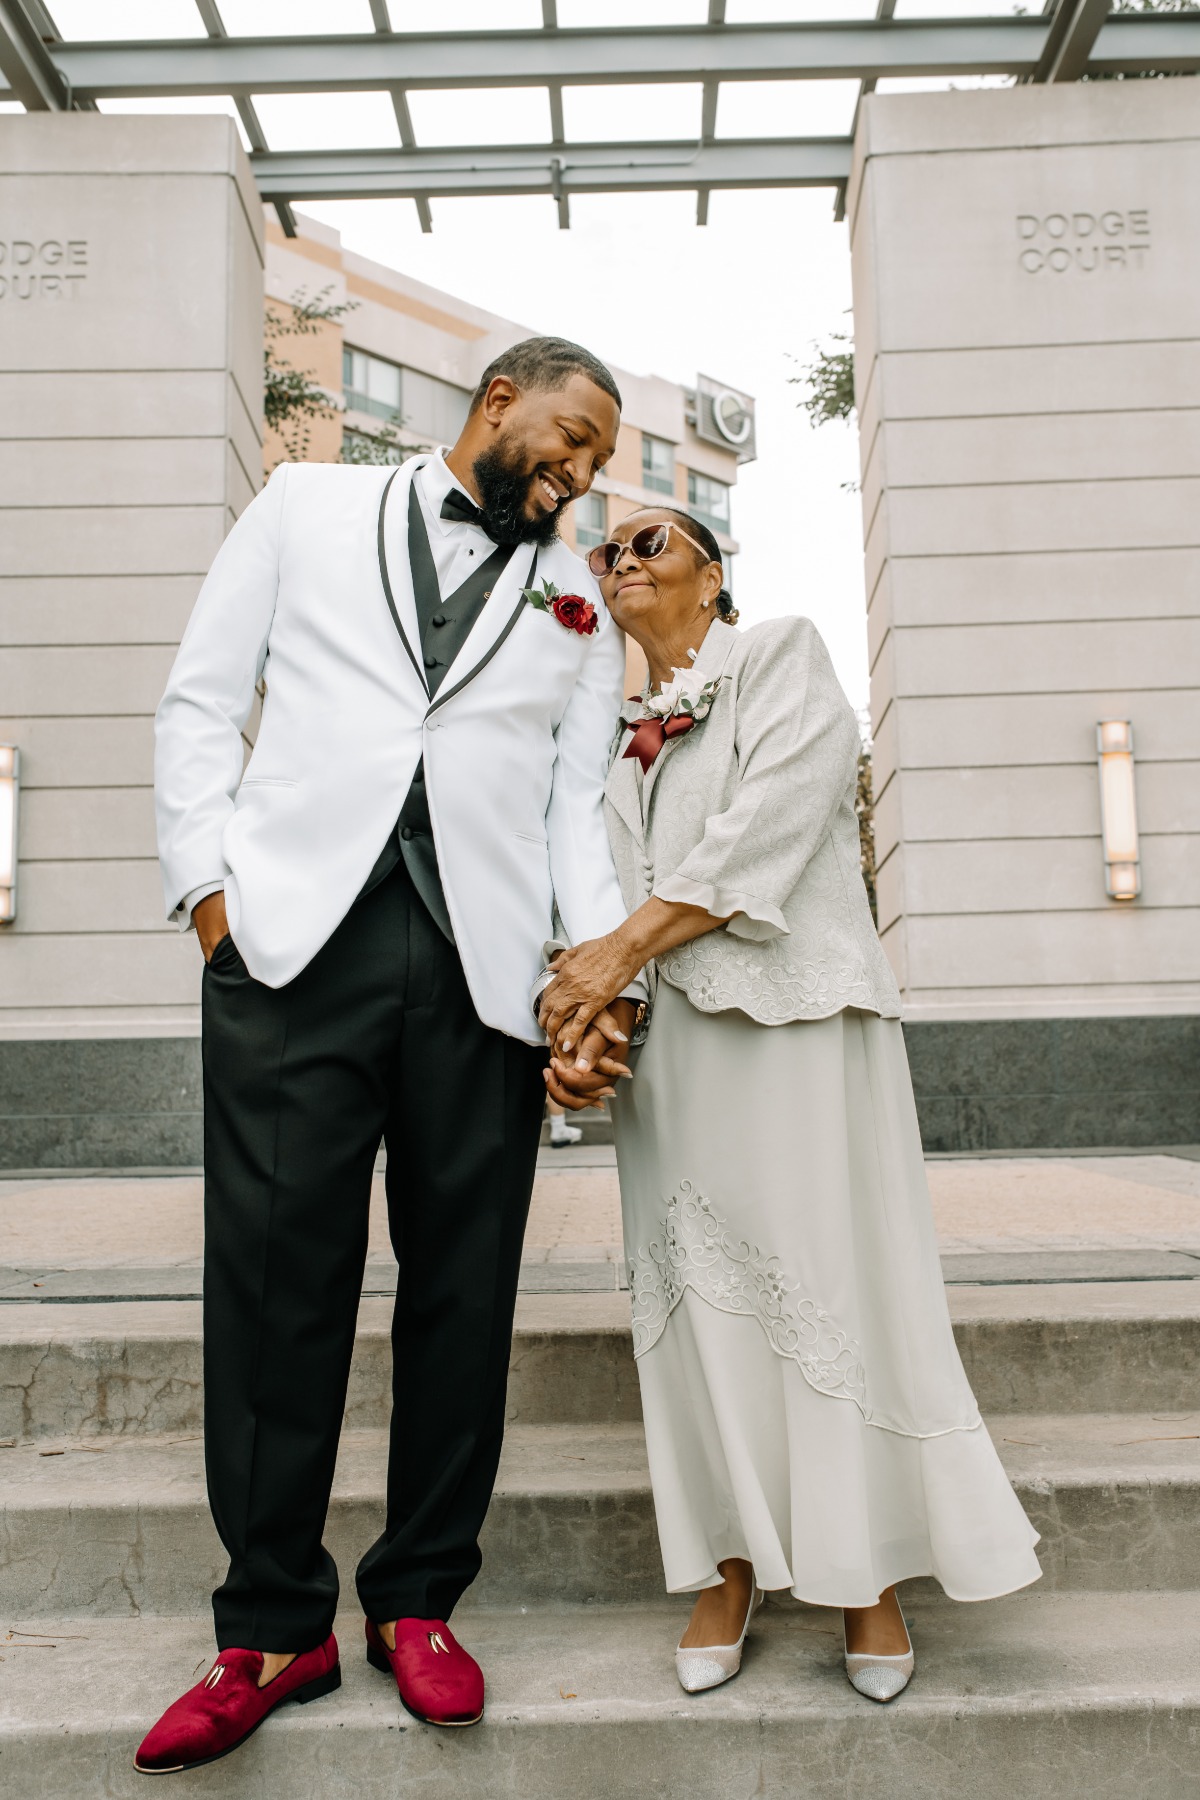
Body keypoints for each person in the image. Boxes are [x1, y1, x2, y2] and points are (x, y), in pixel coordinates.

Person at [138, 338, 644, 1774]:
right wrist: (209, 900)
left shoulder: (577, 607)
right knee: (273, 1286)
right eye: (575, 434)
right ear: (499, 397)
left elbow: (569, 813)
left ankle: (419, 1599)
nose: (584, 470)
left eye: (601, 458)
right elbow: (198, 701)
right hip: (292, 955)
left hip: (483, 979)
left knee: (463, 1300)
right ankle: (269, 1623)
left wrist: (589, 978)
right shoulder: (302, 510)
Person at [540, 507, 1041, 1703]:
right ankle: (727, 1565)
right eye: (605, 552)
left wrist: (613, 955)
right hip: (674, 1062)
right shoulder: (601, 739)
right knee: (688, 1305)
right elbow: (581, 891)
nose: (622, 563)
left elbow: (776, 817)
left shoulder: (782, 654)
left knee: (829, 1289)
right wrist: (584, 1019)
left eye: (650, 543)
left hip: (801, 1025)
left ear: (713, 576)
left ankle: (863, 1580)